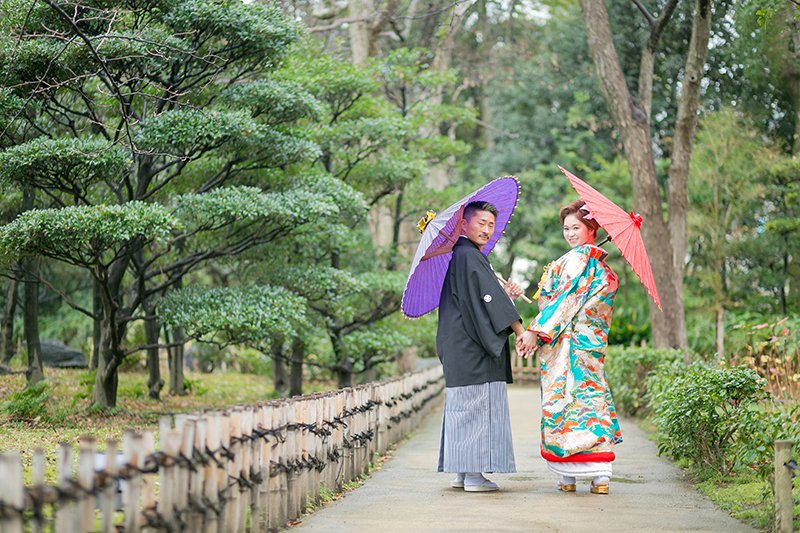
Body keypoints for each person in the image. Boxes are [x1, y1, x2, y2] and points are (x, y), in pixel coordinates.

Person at [516, 200, 622, 494]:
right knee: (592, 399)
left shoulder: (576, 261)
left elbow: (565, 303)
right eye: (566, 228)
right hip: (591, 348)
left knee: (566, 401)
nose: (571, 233)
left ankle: (569, 476)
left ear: (592, 229)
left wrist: (535, 331)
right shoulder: (602, 268)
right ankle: (600, 477)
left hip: (568, 345)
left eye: (577, 227)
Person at [437, 200, 525, 492]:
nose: (487, 230)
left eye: (491, 225)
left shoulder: (461, 255)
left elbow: (482, 300)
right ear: (464, 224)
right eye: (481, 223)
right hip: (473, 350)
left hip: (458, 348)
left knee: (462, 410)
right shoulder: (470, 256)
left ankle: (463, 474)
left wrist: (505, 295)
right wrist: (520, 330)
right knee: (477, 409)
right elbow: (490, 302)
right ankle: (474, 477)